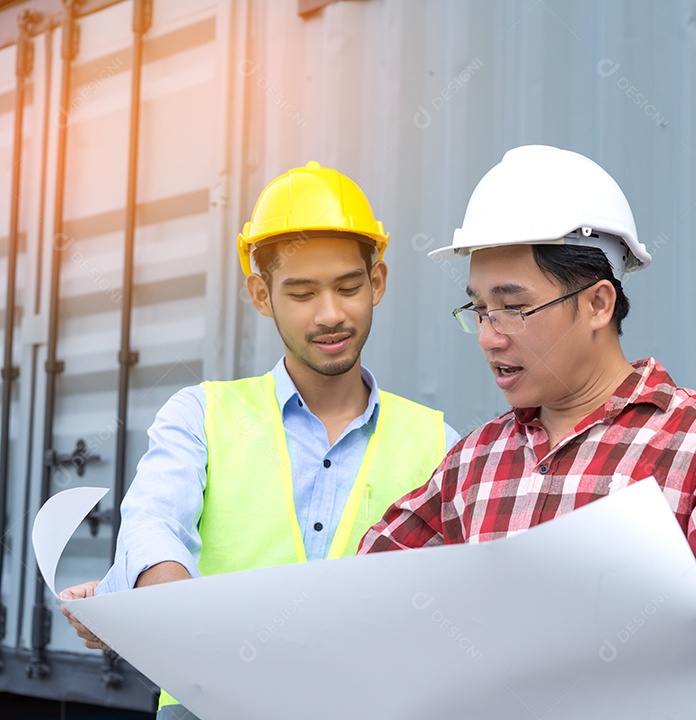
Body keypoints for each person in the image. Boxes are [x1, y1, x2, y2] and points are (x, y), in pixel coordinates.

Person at [358, 145, 696, 690]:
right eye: (480, 308)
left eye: (514, 306)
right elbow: (369, 587)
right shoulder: (475, 460)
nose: (490, 335)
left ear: (599, 304)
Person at [61, 161, 459, 719]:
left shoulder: (438, 442)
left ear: (379, 283)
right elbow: (154, 525)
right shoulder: (200, 415)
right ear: (261, 294)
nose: (330, 314)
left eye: (349, 288)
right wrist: (153, 608)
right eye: (301, 293)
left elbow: (457, 599)